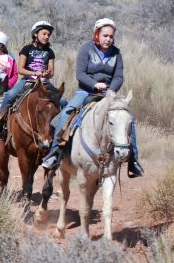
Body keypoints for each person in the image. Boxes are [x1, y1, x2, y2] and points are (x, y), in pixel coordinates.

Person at [42, 18, 143, 177]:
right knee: (66, 113)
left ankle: (133, 160)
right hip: (86, 92)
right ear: (97, 34)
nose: (108, 39)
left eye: (111, 36)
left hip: (108, 94)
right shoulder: (86, 49)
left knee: (127, 118)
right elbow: (80, 74)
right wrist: (95, 84)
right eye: (105, 35)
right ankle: (54, 153)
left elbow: (118, 76)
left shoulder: (116, 53)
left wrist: (111, 89)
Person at [0, 21, 63, 122]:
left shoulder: (50, 52)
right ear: (35, 34)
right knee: (9, 95)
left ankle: (59, 128)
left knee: (63, 101)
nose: (47, 37)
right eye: (44, 34)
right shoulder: (26, 49)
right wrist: (35, 73)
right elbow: (20, 70)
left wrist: (48, 73)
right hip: (28, 80)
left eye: (48, 35)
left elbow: (51, 73)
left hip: (44, 82)